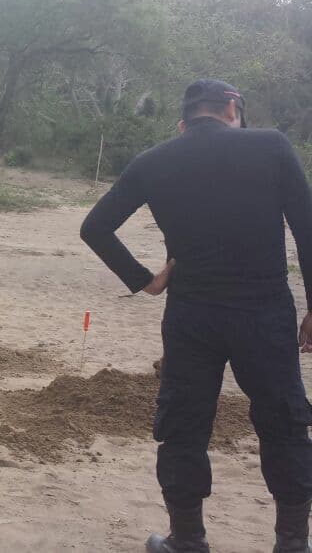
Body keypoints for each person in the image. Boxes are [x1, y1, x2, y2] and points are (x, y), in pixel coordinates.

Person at [80, 79, 312, 553]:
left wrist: (146, 278)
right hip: (265, 313)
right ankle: (293, 541)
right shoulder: (271, 146)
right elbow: (308, 229)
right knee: (283, 423)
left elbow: (95, 228)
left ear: (184, 122)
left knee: (184, 427)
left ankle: (187, 539)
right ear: (232, 108)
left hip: (191, 316)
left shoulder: (154, 161)